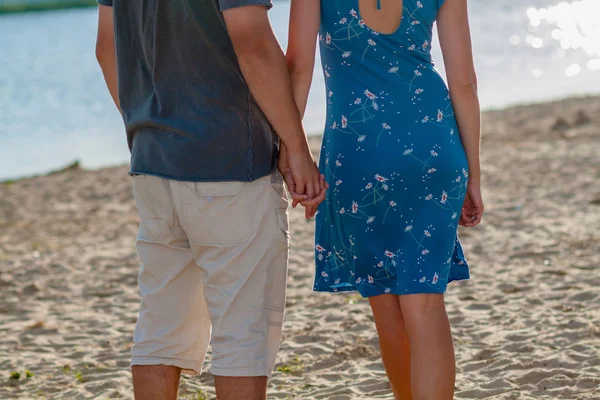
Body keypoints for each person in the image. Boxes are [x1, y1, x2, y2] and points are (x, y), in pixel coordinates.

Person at [95, 0, 325, 398]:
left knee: (160, 329)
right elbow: (251, 41)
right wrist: (296, 146)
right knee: (242, 336)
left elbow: (105, 47)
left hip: (153, 159)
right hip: (229, 162)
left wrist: (146, 126)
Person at [286, 0, 484, 398]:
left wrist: (291, 150)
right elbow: (463, 82)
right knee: (424, 304)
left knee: (385, 304)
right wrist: (473, 173)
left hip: (357, 156)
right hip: (433, 148)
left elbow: (298, 68)